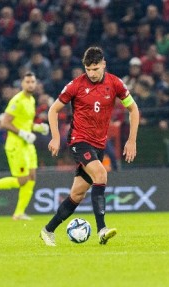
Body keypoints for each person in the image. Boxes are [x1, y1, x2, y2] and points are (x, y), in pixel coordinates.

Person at [40, 46, 139, 246]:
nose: (92, 73)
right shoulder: (75, 85)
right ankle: (102, 229)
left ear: (103, 64)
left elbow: (133, 109)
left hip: (98, 145)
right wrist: (55, 137)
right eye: (88, 69)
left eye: (95, 69)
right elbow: (53, 110)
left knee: (77, 194)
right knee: (101, 175)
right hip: (79, 141)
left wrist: (131, 140)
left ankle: (48, 230)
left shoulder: (115, 83)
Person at [0, 72, 49, 220]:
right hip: (16, 145)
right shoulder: (17, 100)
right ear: (22, 84)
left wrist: (37, 127)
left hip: (27, 145)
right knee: (22, 180)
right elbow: (5, 123)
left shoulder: (31, 100)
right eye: (27, 82)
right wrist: (22, 133)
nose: (30, 84)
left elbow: (25, 123)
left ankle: (19, 213)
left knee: (32, 176)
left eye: (32, 82)